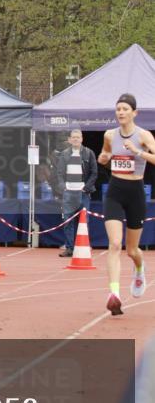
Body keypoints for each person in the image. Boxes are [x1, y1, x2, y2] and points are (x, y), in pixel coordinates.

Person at [98, 93, 155, 316]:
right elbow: (105, 154)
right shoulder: (110, 135)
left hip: (135, 193)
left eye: (124, 109)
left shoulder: (143, 135)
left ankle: (140, 269)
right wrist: (103, 157)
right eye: (118, 109)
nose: (120, 112)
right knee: (114, 244)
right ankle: (114, 294)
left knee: (132, 250)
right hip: (114, 191)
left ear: (134, 113)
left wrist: (138, 152)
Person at [54, 128, 98, 257]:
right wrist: (63, 186)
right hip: (68, 193)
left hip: (83, 193)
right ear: (69, 139)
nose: (75, 139)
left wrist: (86, 187)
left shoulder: (89, 153)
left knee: (84, 221)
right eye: (73, 137)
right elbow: (59, 173)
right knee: (68, 221)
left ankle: (82, 247)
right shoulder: (64, 154)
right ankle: (69, 248)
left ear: (82, 139)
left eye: (77, 137)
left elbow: (94, 173)